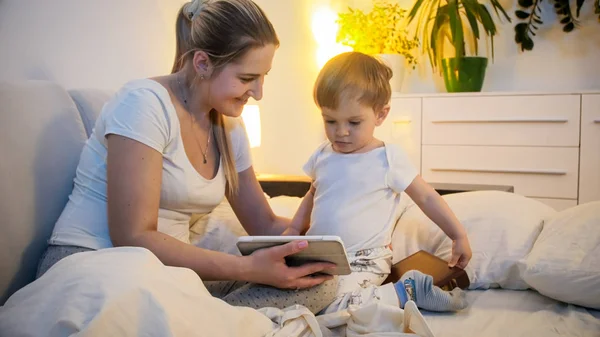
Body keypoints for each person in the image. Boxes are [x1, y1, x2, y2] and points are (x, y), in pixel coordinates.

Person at [36, 0, 337, 314]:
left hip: (169, 274)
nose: (258, 92)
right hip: (99, 265)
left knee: (321, 280)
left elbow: (266, 223)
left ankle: (210, 318)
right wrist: (247, 269)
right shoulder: (144, 104)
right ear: (203, 63)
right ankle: (211, 318)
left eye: (263, 77)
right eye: (247, 79)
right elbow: (132, 236)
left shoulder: (229, 123)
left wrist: (338, 235)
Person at [282, 52, 473, 314]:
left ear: (381, 115)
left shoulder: (387, 158)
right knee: (290, 293)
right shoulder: (323, 154)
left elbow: (426, 197)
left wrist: (458, 235)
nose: (341, 131)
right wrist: (294, 228)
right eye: (330, 121)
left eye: (354, 122)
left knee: (336, 306)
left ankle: (407, 290)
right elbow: (312, 194)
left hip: (364, 260)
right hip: (321, 256)